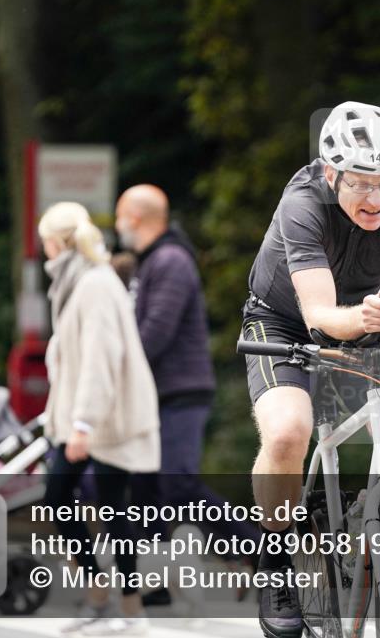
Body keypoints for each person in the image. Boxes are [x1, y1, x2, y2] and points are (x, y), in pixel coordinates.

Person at [240, 102, 380, 638]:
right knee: (287, 432)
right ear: (332, 175)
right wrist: (368, 316)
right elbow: (320, 317)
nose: (377, 199)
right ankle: (277, 565)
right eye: (361, 184)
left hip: (363, 322)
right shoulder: (301, 204)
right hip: (284, 323)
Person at [115, 185, 258, 605]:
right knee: (147, 489)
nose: (118, 225)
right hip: (156, 394)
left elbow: (156, 331)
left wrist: (115, 370)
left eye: (122, 216)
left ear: (136, 219)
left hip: (181, 390)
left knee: (177, 483)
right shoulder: (150, 262)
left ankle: (257, 551)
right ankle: (155, 586)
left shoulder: (171, 261)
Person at [38, 202, 160, 636]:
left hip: (108, 417)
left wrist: (83, 423)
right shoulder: (79, 281)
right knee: (100, 505)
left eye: (45, 242)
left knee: (96, 505)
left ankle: (123, 606)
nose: (44, 251)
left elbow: (99, 357)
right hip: (90, 414)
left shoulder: (92, 283)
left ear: (57, 242)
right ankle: (107, 597)